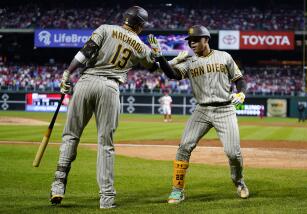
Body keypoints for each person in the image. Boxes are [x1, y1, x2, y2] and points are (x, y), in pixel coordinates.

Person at [50, 6, 161, 209]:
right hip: (110, 88)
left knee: (71, 136)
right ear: (139, 25)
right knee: (105, 144)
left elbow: (85, 53)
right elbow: (153, 66)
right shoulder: (140, 45)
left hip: (86, 82)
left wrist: (67, 72)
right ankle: (106, 198)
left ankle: (58, 185)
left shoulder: (105, 28)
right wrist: (156, 53)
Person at [148, 25, 249, 204]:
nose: (192, 43)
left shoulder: (224, 56)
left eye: (196, 40)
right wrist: (160, 56)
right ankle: (177, 190)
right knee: (184, 146)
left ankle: (239, 182)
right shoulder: (189, 62)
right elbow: (171, 74)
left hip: (225, 109)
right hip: (201, 110)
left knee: (233, 153)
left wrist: (241, 92)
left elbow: (239, 79)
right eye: (190, 41)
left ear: (206, 40)